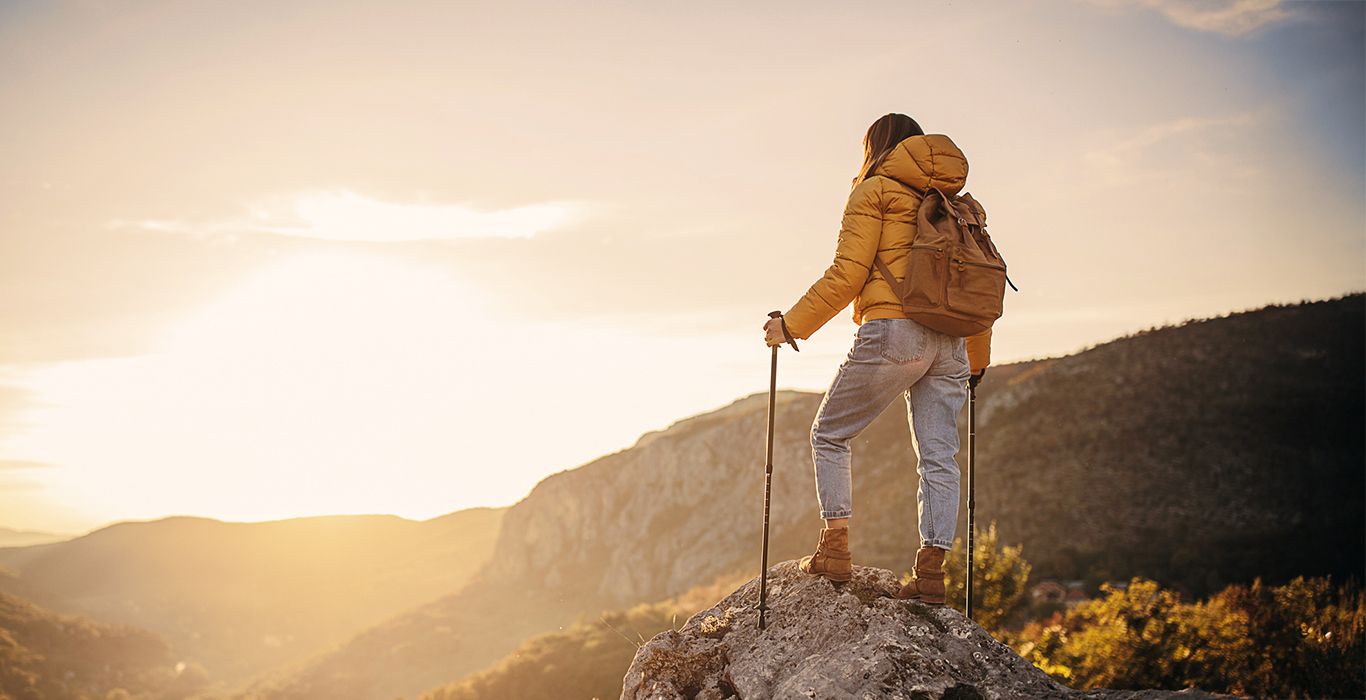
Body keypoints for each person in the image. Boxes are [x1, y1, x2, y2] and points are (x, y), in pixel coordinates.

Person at [762, 113, 991, 605]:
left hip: (894, 331)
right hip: (951, 343)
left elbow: (847, 275)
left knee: (829, 434)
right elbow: (975, 288)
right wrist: (976, 359)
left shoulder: (874, 192)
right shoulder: (956, 206)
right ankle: (930, 575)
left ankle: (835, 550)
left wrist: (790, 326)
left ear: (876, 148)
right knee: (938, 458)